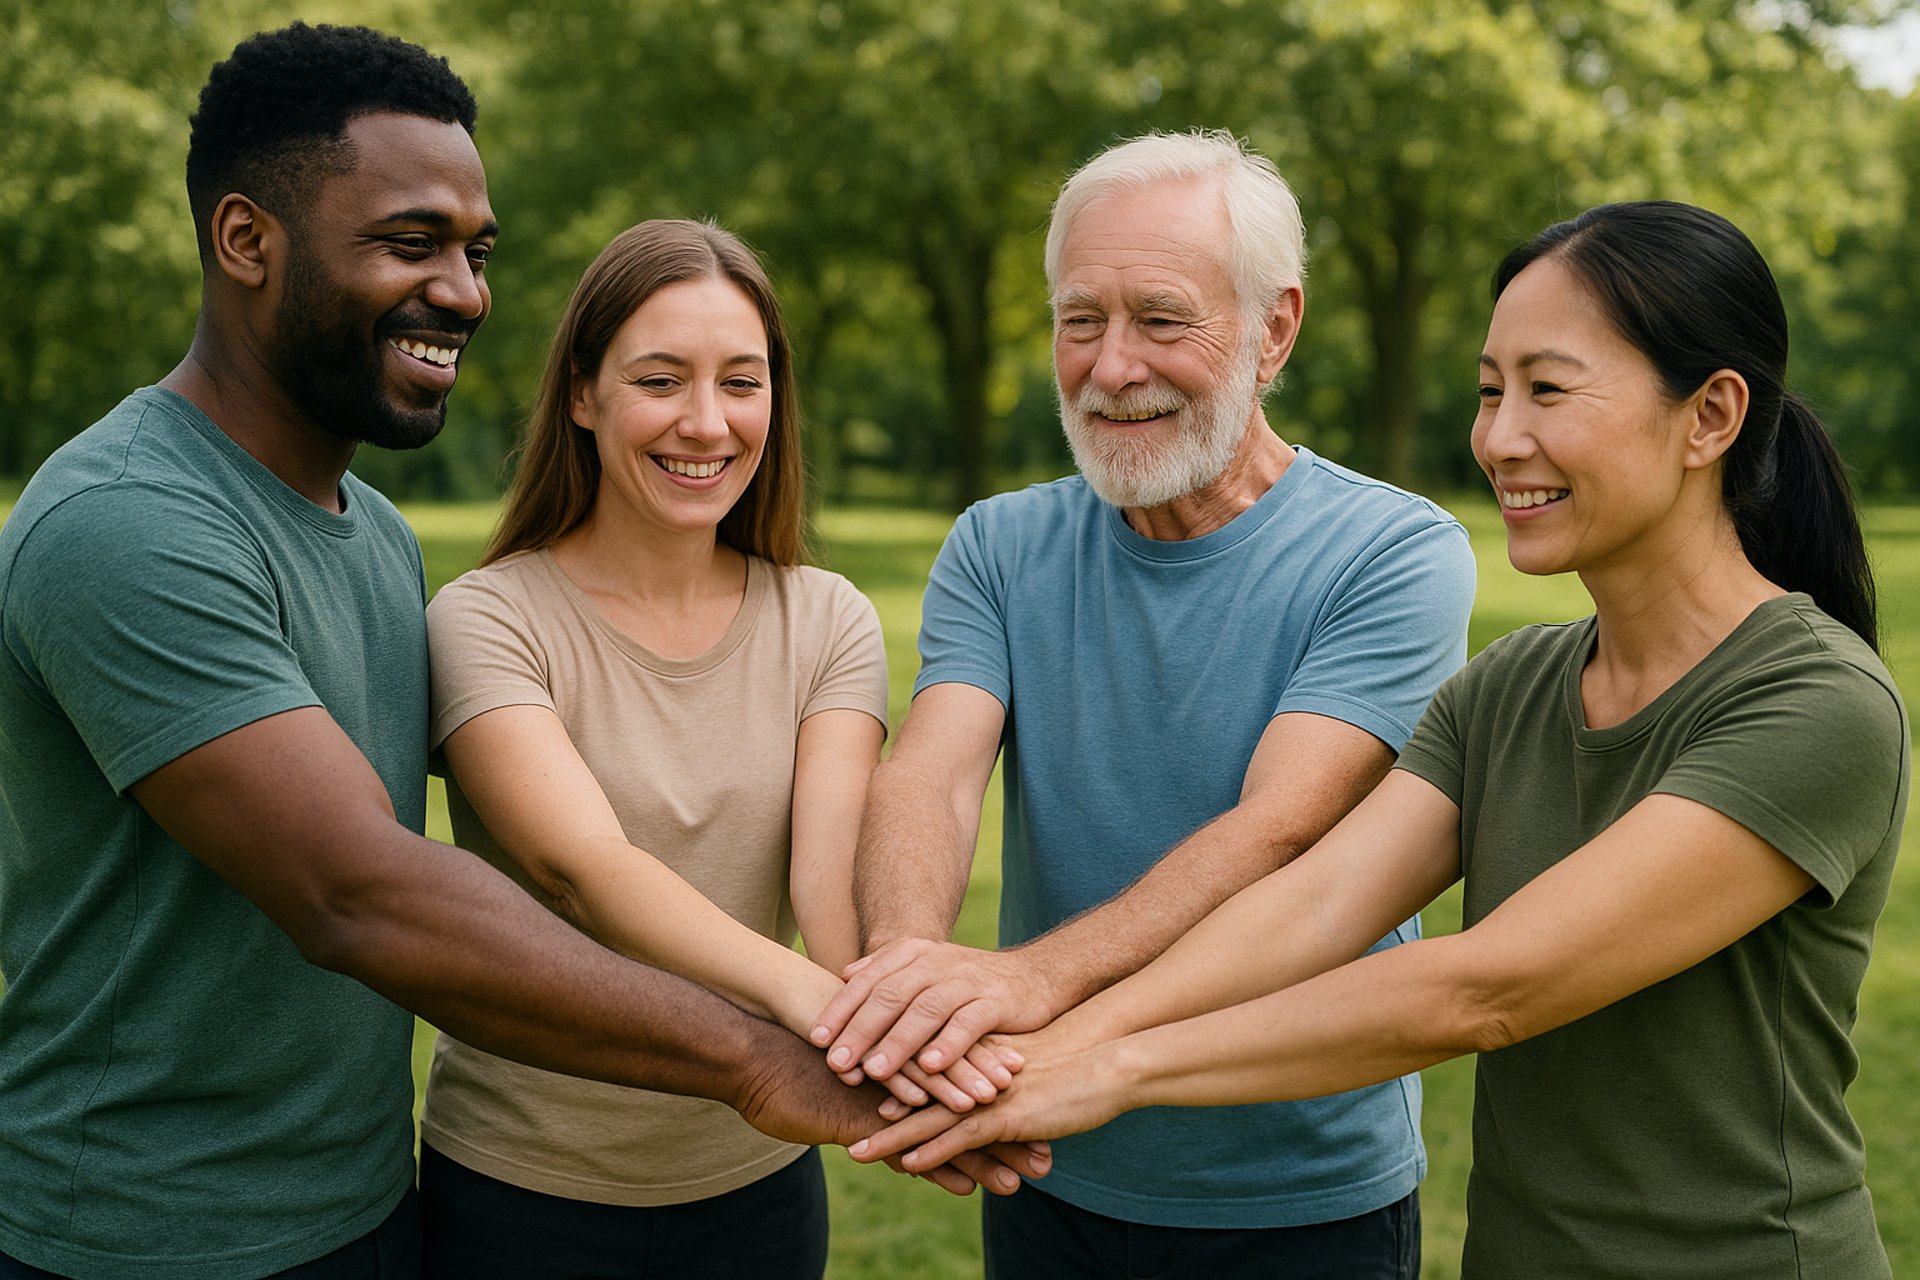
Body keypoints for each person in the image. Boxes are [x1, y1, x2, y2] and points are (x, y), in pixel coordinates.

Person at [0, 25, 1034, 1280]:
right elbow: (362, 892)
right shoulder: (127, 523)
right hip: (149, 1238)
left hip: (365, 1205)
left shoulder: (372, 534)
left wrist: (890, 1011)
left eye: (476, 252)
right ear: (244, 240)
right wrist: (765, 1052)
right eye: (410, 241)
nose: (466, 291)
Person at [854, 200, 1910, 1279]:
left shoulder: (1815, 703)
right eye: (1490, 391)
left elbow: (1486, 987)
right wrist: (1052, 1039)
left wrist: (1113, 1062)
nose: (1499, 437)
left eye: (1547, 389)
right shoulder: (1510, 689)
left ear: (1711, 415)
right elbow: (1316, 902)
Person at [812, 130, 1477, 1277]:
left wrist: (1026, 980)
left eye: (1162, 320)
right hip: (1045, 1158)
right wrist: (909, 979)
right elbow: (934, 769)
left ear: (1275, 329)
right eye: (1082, 319)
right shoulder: (1000, 543)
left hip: (1298, 1192)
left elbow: (1281, 827)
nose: (1113, 366)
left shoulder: (1394, 550)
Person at [413, 219, 1020, 1278]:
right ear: (581, 395)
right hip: (519, 1194)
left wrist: (915, 1049)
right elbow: (588, 867)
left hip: (760, 1189)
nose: (707, 421)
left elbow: (831, 892)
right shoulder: (487, 618)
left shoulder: (825, 617)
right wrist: (829, 1012)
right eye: (660, 379)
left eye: (742, 381)